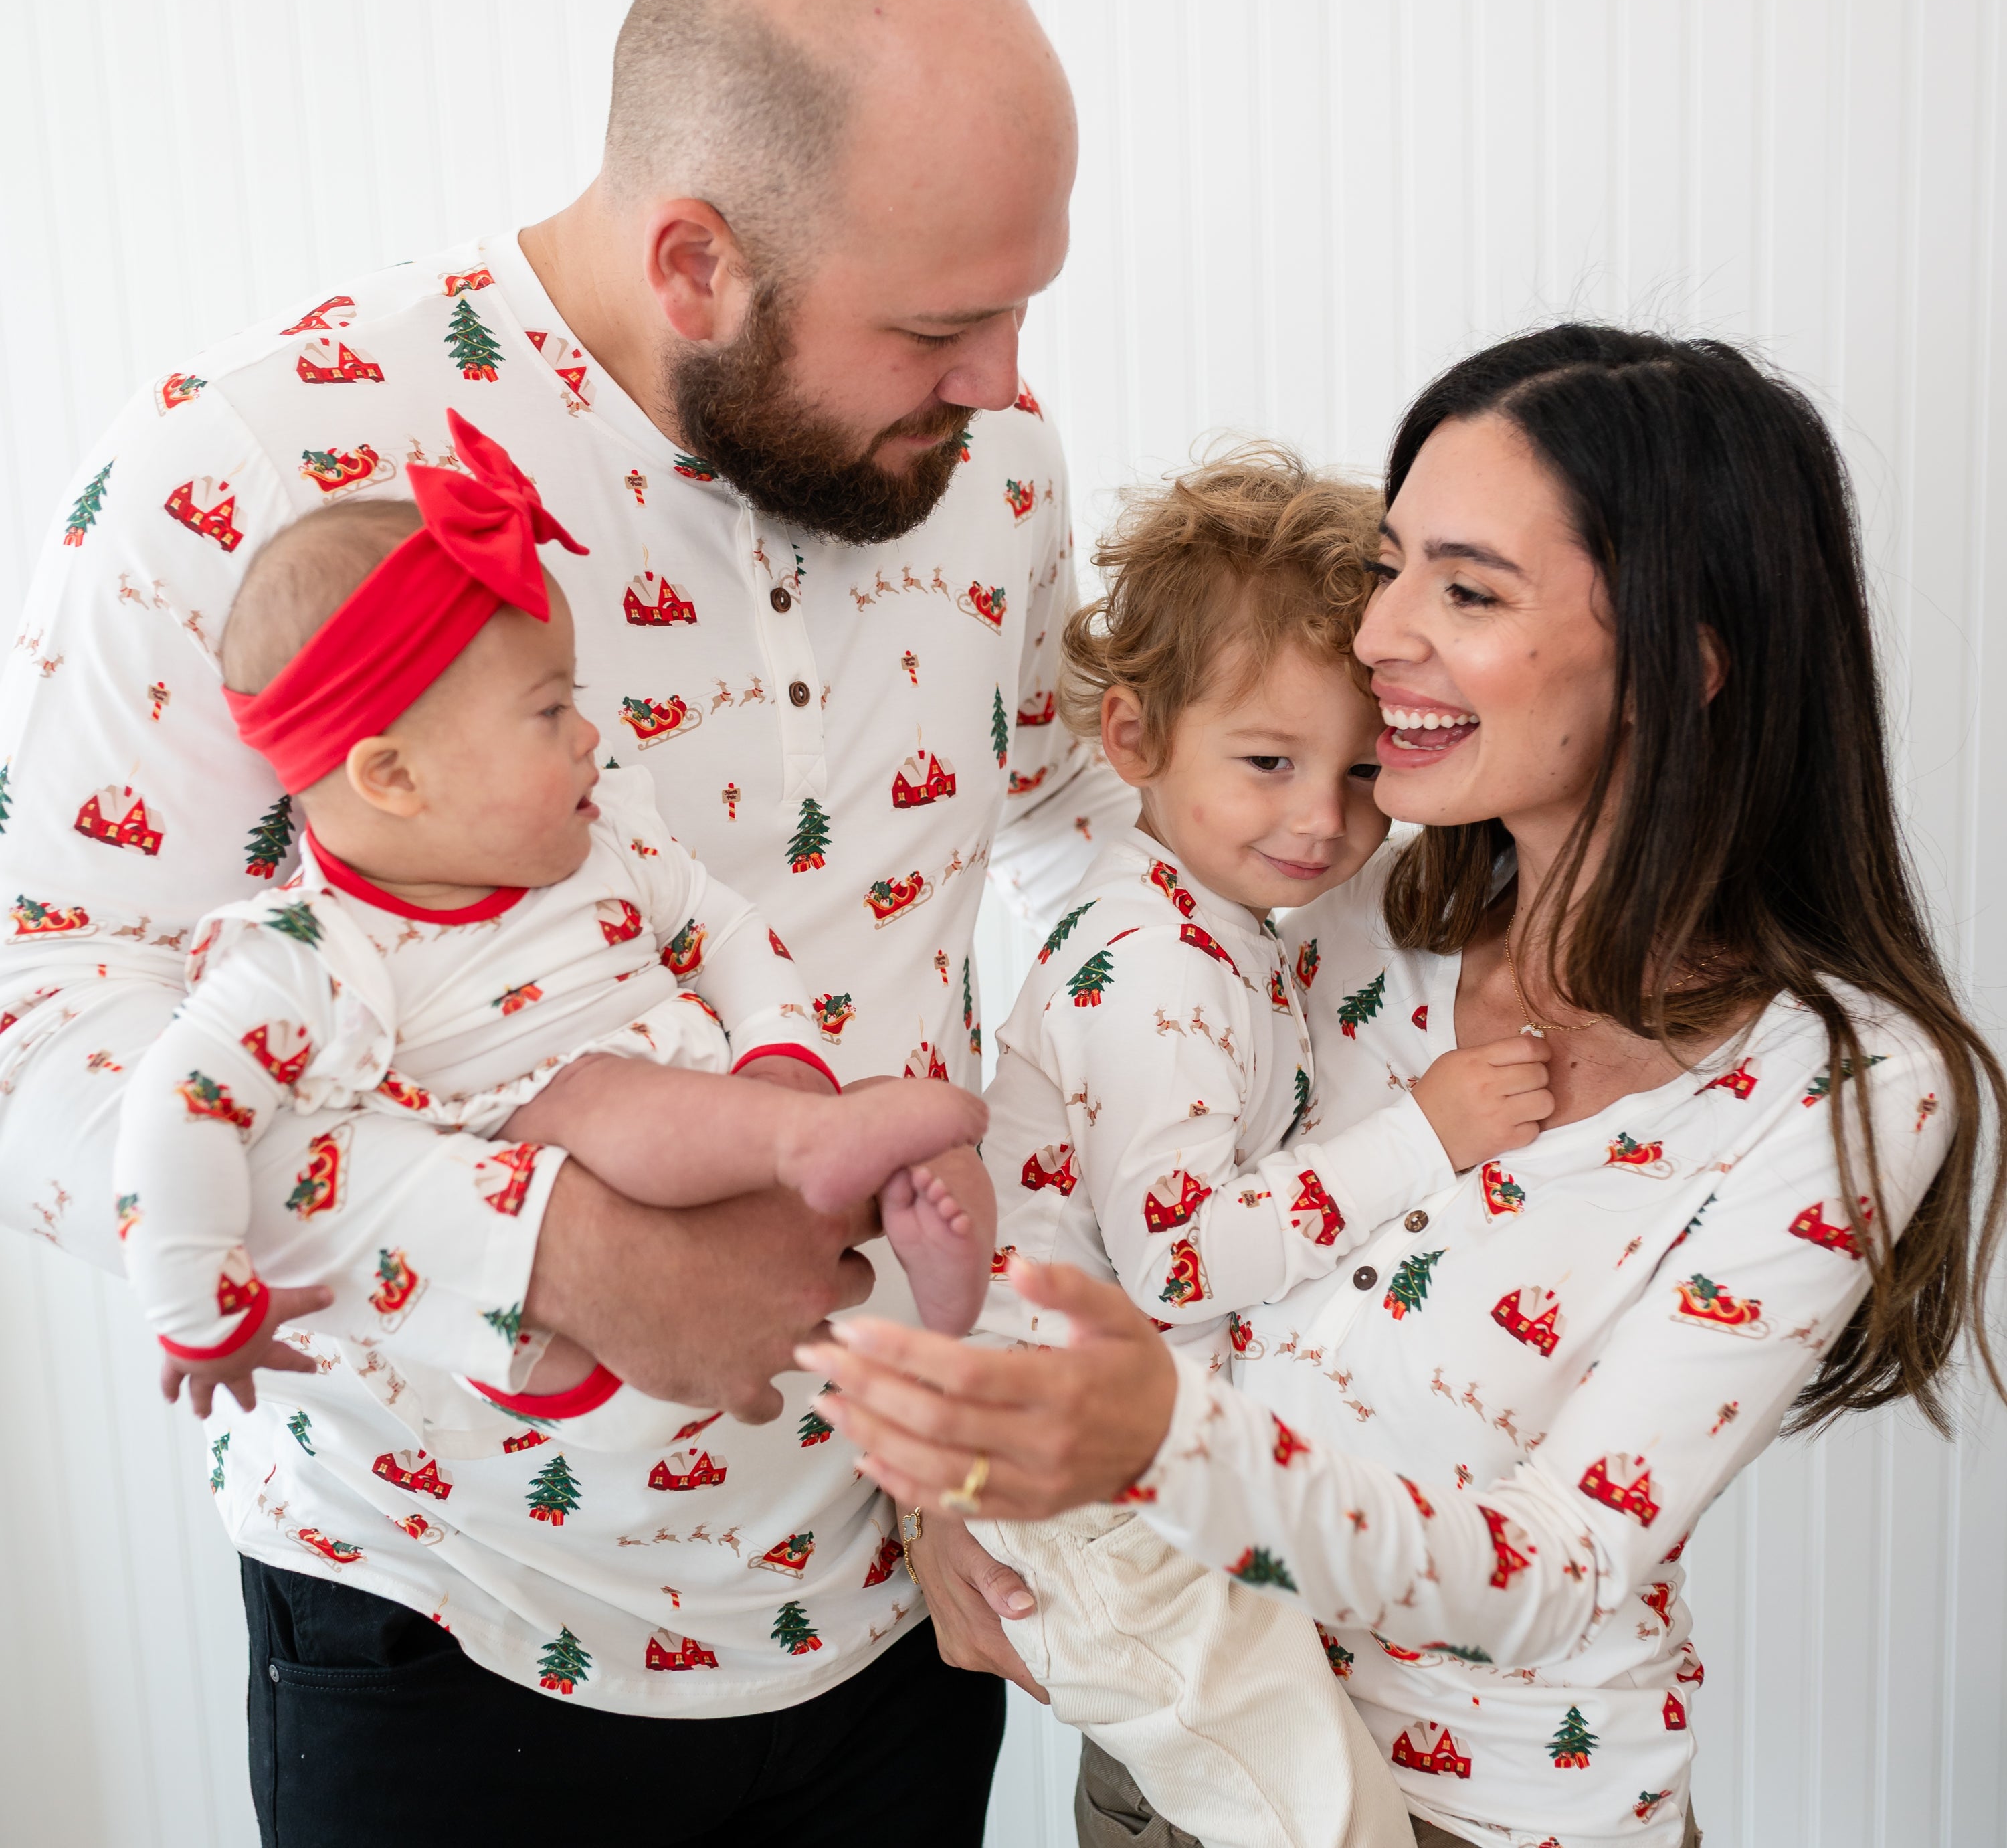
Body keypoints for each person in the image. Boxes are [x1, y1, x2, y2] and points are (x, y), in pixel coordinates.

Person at [0, 0, 1133, 1845]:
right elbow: (42, 1029)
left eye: (1026, 306)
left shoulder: (985, 464)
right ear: (693, 258)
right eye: (944, 323)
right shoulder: (250, 470)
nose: (1011, 388)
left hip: (901, 1623)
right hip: (459, 1642)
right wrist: (562, 1262)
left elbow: (1072, 863)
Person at [795, 326, 2007, 1848]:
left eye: (1468, 589)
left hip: (1479, 1814)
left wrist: (1152, 1449)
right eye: (1391, 567)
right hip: (1179, 1772)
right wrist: (960, 1480)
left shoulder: (1839, 1091)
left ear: (1677, 662)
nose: (1376, 637)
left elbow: (1565, 1555)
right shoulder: (1356, 892)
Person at [121, 411, 990, 1424]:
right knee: (597, 1100)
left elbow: (725, 927)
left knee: (910, 1118)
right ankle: (816, 1149)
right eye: (548, 711)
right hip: (558, 1209)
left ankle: (928, 1262)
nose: (588, 735)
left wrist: (779, 1058)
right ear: (395, 776)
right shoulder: (309, 956)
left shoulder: (604, 835)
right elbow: (172, 1115)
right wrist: (199, 1312)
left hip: (739, 1146)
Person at [969, 448, 1555, 1848]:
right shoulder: (1154, 963)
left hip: (1142, 1477)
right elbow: (1179, 1254)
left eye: (1361, 770)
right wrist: (1427, 1133)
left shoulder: (1225, 928)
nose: (1322, 817)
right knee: (1318, 1816)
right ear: (1132, 743)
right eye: (1268, 762)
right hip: (1093, 1502)